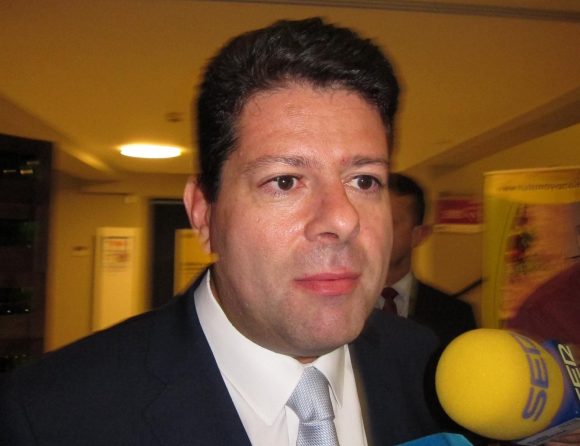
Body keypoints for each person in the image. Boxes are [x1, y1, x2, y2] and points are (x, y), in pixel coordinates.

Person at [1, 18, 450, 446]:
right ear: (203, 213)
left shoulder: (432, 371)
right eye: (284, 181)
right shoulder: (50, 416)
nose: (342, 219)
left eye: (364, 181)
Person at [379, 173, 477, 348]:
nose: (378, 232)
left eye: (391, 223)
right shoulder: (342, 305)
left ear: (419, 235)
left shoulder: (454, 315)